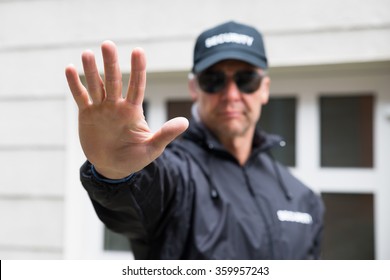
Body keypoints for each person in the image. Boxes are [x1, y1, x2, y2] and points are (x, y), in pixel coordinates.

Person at [65, 21, 325, 259]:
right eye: (214, 80)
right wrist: (116, 173)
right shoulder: (176, 174)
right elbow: (135, 203)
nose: (231, 94)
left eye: (246, 80)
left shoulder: (302, 198)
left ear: (264, 88)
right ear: (194, 89)